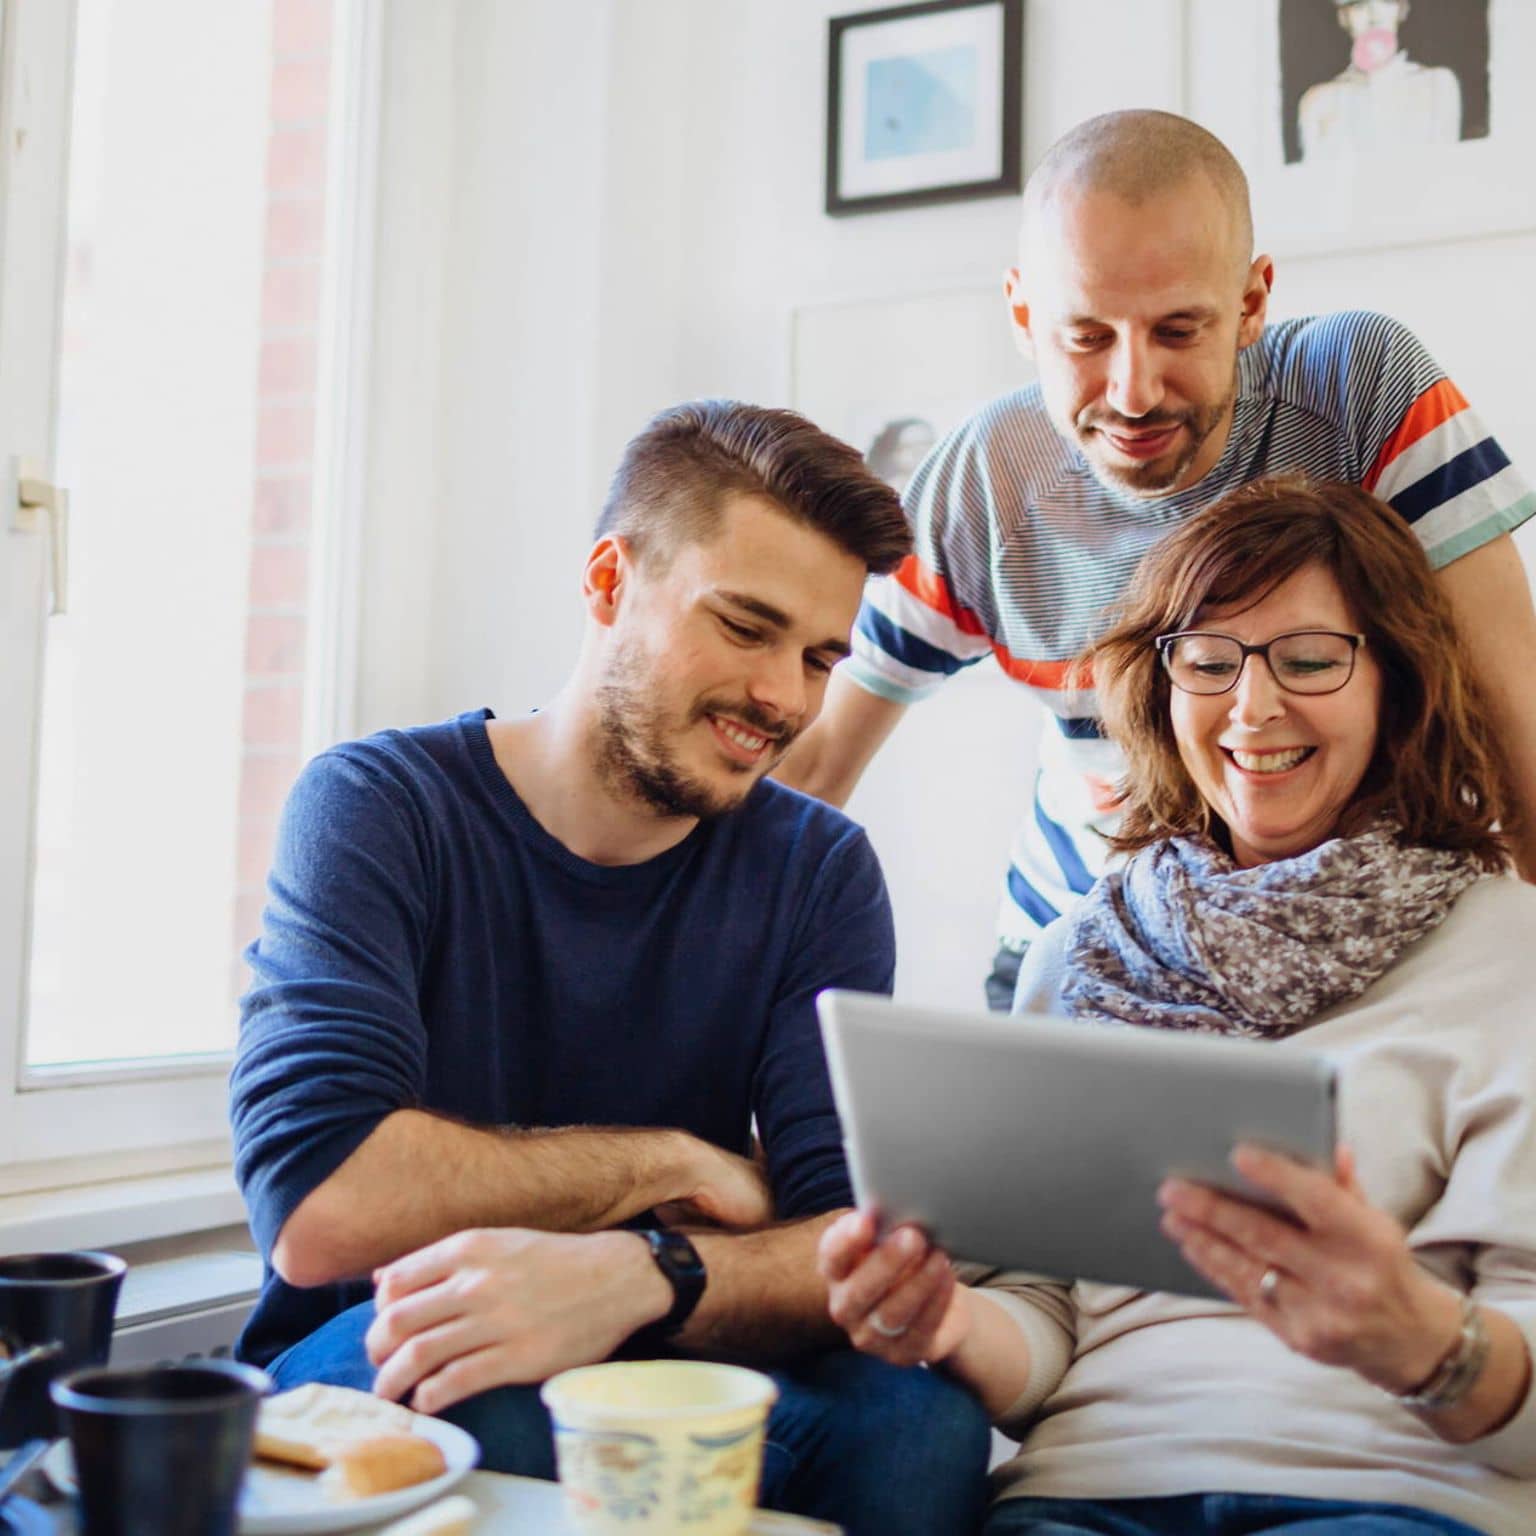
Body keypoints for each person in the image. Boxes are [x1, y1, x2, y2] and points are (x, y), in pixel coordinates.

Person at [229, 400, 991, 1536]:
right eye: (745, 626)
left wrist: (644, 1274)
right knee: (502, 1404)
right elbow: (323, 1201)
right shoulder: (379, 807)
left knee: (921, 1428)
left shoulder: (819, 870)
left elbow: (842, 1250)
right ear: (607, 581)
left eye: (820, 656)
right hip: (393, 1342)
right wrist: (669, 1164)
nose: (786, 697)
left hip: (671, 1332)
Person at [819, 476, 1536, 1536]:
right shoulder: (1075, 960)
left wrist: (1425, 1339)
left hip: (1389, 1500)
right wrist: (946, 1321)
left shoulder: (1510, 950)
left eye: (1309, 658)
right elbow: (1044, 1323)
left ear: (1397, 679)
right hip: (1082, 1495)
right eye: (1207, 661)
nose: (1252, 708)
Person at [775, 108, 1536, 1012]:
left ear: (1252, 303)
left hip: (1362, 944)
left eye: (1178, 330)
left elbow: (1513, 709)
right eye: (1087, 337)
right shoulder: (985, 483)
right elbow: (812, 768)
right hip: (1083, 949)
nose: (1133, 392)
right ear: (1023, 314)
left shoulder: (1359, 392)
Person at [1298, 1, 1462, 162]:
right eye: (1358, 5)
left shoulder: (1437, 84)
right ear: (1343, 17)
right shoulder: (1318, 101)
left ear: (1402, 9)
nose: (1374, 17)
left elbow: (1443, 168)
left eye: (1386, 1)